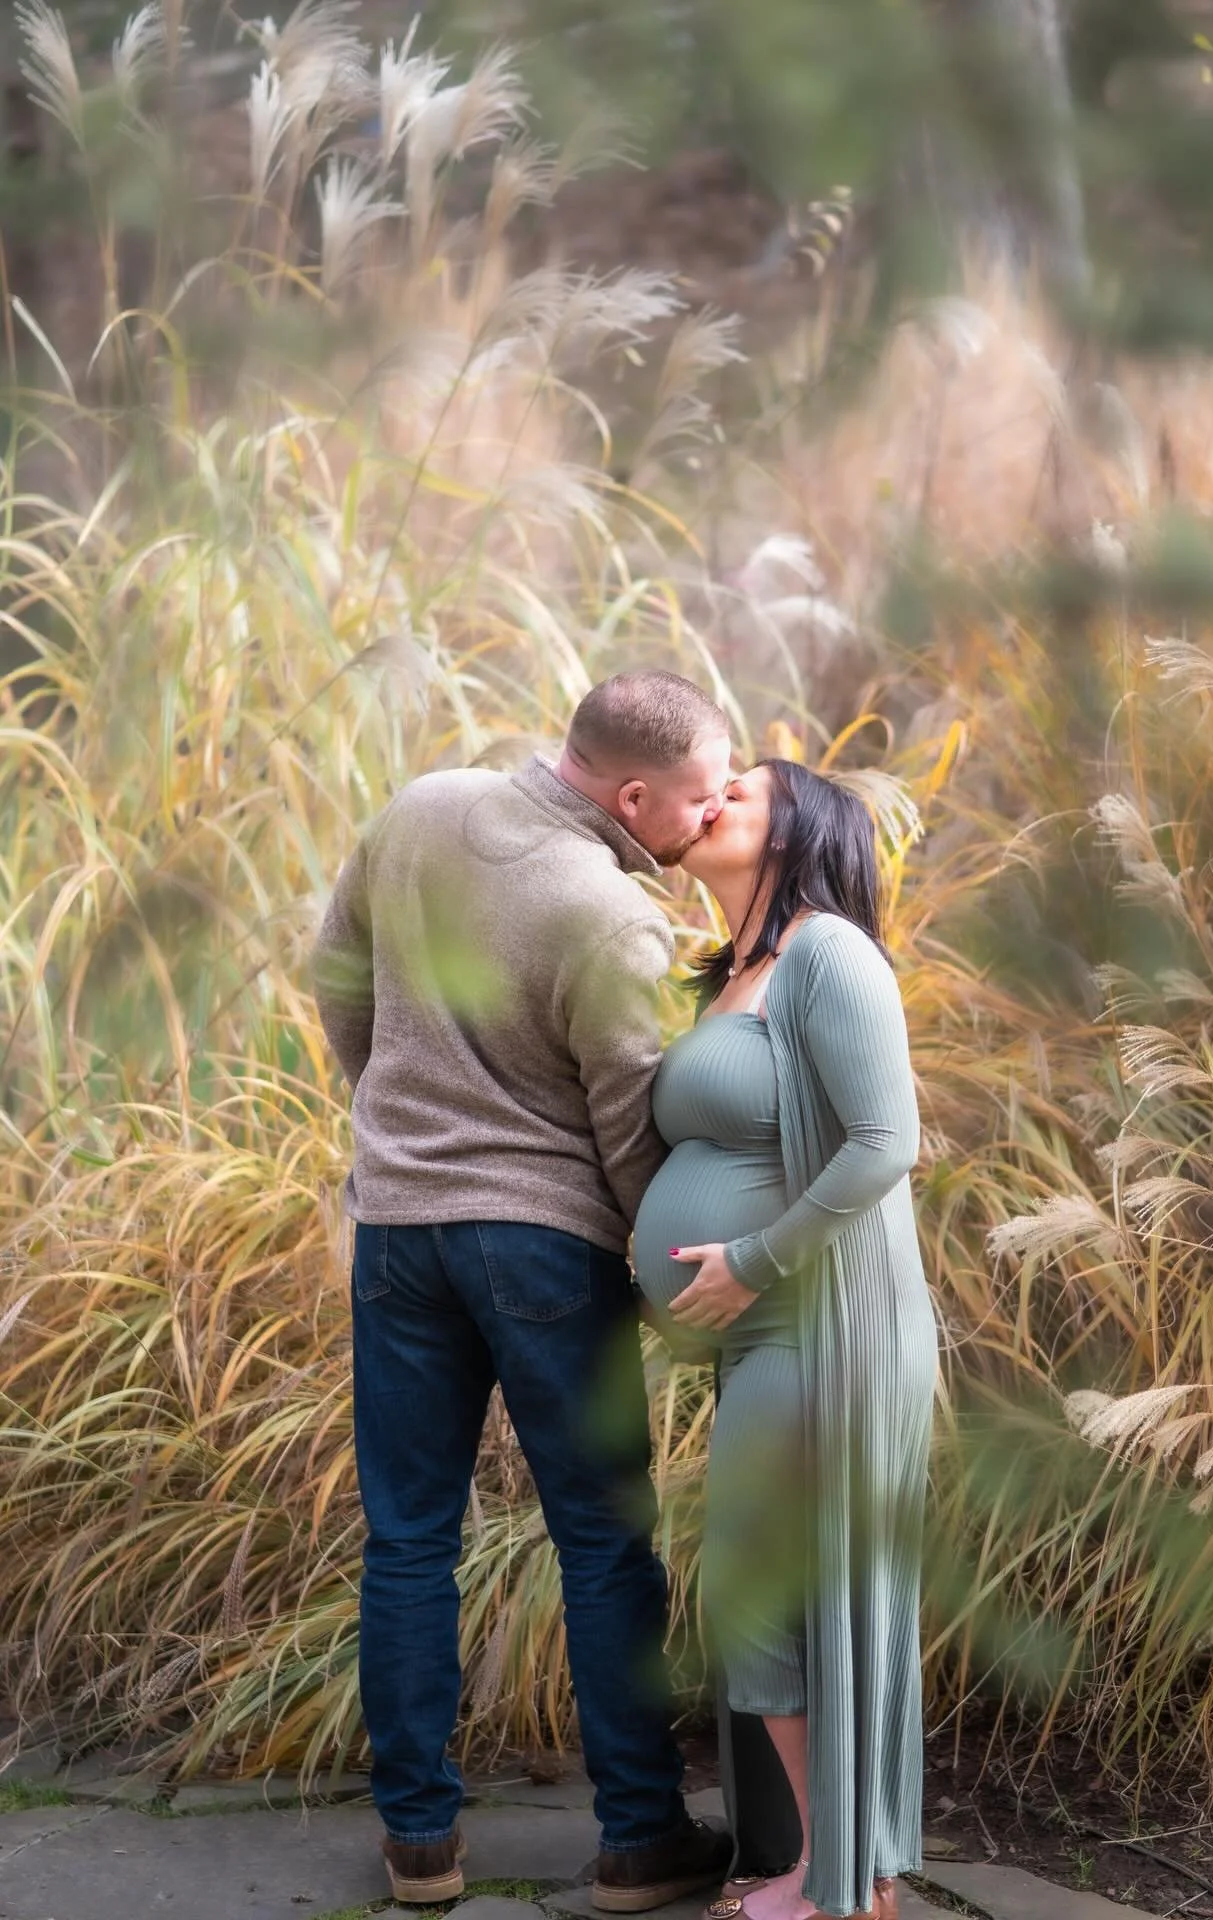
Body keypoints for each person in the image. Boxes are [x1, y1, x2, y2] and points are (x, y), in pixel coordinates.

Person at [312, 671, 735, 1911]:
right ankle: (640, 1839)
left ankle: (420, 1848)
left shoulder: (422, 808)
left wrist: (392, 1114)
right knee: (602, 1542)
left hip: (396, 1230)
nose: (708, 823)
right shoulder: (609, 913)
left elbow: (337, 972)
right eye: (702, 800)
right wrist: (665, 1279)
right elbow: (625, 1130)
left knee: (407, 1538)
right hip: (543, 1245)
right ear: (636, 793)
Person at [631, 760, 939, 1920]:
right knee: (769, 1600)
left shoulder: (827, 952)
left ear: (798, 832)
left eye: (745, 793)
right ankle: (840, 1868)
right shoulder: (734, 975)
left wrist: (750, 1262)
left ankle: (845, 1884)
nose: (713, 800)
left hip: (829, 1325)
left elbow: (883, 1142)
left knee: (790, 1597)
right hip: (768, 1339)